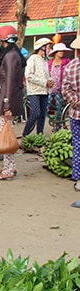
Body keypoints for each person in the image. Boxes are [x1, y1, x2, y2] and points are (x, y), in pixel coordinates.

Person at [0, 25, 26, 180]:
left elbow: (10, 81)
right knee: (5, 133)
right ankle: (11, 167)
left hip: (6, 96)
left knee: (3, 134)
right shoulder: (14, 54)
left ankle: (8, 169)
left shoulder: (10, 56)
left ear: (3, 41)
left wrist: (7, 105)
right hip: (7, 95)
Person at [22, 38, 54, 138]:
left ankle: (40, 136)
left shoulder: (44, 61)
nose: (49, 49)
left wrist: (50, 81)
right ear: (42, 48)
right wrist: (44, 82)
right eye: (48, 47)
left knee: (42, 115)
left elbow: (46, 75)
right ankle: (25, 134)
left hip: (44, 91)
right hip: (34, 91)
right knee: (35, 113)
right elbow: (29, 75)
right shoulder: (33, 59)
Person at [61, 36, 80, 198]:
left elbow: (65, 89)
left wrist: (77, 102)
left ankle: (79, 179)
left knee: (77, 144)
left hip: (76, 113)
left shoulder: (71, 66)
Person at [47, 42, 72, 131]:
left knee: (59, 109)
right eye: (59, 51)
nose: (61, 52)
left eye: (62, 51)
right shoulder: (49, 63)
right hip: (50, 89)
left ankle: (57, 127)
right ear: (55, 52)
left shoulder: (67, 62)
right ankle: (52, 122)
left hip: (60, 89)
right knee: (46, 107)